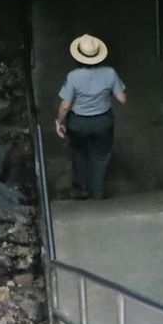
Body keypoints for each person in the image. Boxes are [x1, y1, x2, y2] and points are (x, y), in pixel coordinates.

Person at [56, 34, 127, 201]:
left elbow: (65, 105)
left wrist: (59, 122)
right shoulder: (110, 73)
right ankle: (99, 194)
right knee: (101, 157)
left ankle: (81, 189)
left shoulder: (73, 76)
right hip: (103, 121)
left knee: (79, 153)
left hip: (78, 122)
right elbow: (122, 99)